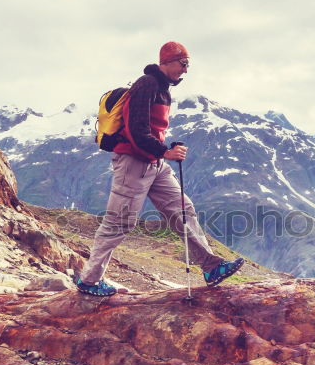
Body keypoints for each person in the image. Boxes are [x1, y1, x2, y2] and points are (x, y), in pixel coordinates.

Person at [76, 41, 244, 296]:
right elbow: (136, 130)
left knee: (182, 209)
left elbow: (151, 129)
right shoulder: (147, 85)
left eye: (188, 65)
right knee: (118, 223)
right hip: (133, 164)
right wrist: (164, 150)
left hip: (154, 164)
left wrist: (163, 150)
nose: (185, 71)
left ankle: (211, 267)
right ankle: (89, 281)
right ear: (167, 60)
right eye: (183, 64)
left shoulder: (162, 88)